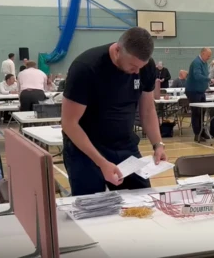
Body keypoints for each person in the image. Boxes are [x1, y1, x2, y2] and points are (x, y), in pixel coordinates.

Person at [61, 27, 167, 196]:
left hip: (125, 146)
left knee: (143, 199)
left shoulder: (145, 67)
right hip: (86, 150)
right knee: (92, 208)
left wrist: (158, 144)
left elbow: (147, 109)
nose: (137, 71)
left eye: (142, 66)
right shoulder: (86, 68)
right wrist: (101, 162)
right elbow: (69, 123)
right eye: (133, 65)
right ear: (118, 50)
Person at [186, 48, 212, 142]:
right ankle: (197, 134)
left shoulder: (204, 63)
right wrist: (209, 79)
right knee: (196, 112)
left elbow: (205, 75)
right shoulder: (196, 62)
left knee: (202, 111)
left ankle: (202, 131)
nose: (209, 57)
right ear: (203, 53)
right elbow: (197, 76)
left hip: (201, 91)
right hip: (193, 90)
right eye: (208, 55)